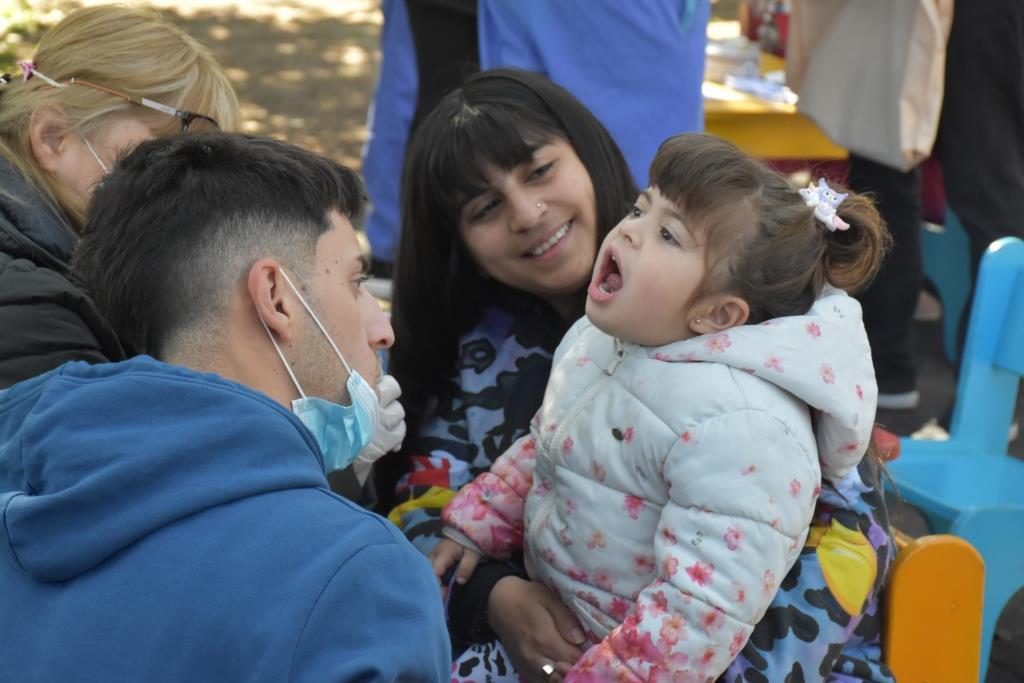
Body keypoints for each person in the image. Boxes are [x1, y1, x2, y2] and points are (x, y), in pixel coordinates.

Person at [383, 70, 895, 683]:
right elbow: (427, 508)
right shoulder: (493, 353)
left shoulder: (767, 351)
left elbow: (837, 549)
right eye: (485, 207)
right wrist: (490, 597)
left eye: (540, 170)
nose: (526, 212)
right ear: (460, 244)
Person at [0, 133, 450, 681]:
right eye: (356, 282)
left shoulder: (20, 479)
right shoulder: (358, 579)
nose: (382, 327)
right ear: (277, 298)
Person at [0, 4, 239, 388]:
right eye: (162, 154)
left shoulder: (75, 259)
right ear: (52, 136)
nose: (189, 187)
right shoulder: (29, 311)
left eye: (202, 160)